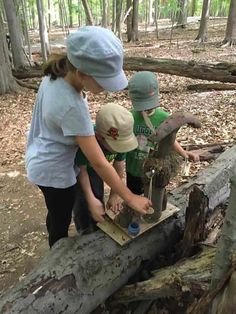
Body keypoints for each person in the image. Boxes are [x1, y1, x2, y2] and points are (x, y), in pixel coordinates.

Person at [25, 26, 151, 247]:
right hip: (53, 172)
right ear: (82, 74)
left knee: (56, 210)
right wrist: (130, 197)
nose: (106, 89)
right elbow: (99, 163)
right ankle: (58, 255)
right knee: (60, 218)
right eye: (103, 82)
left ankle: (56, 233)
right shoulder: (72, 107)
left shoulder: (59, 73)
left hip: (41, 156)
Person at [126, 71, 199, 195]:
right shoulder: (129, 117)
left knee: (153, 194)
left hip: (154, 168)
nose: (146, 109)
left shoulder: (164, 118)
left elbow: (169, 139)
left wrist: (183, 153)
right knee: (134, 196)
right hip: (133, 168)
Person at [73, 103, 138, 234]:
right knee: (82, 202)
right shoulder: (86, 140)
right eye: (116, 146)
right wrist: (90, 198)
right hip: (79, 173)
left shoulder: (121, 138)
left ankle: (96, 224)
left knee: (98, 195)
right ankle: (84, 229)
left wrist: (114, 194)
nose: (120, 148)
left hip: (98, 172)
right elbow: (82, 170)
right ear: (99, 137)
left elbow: (119, 165)